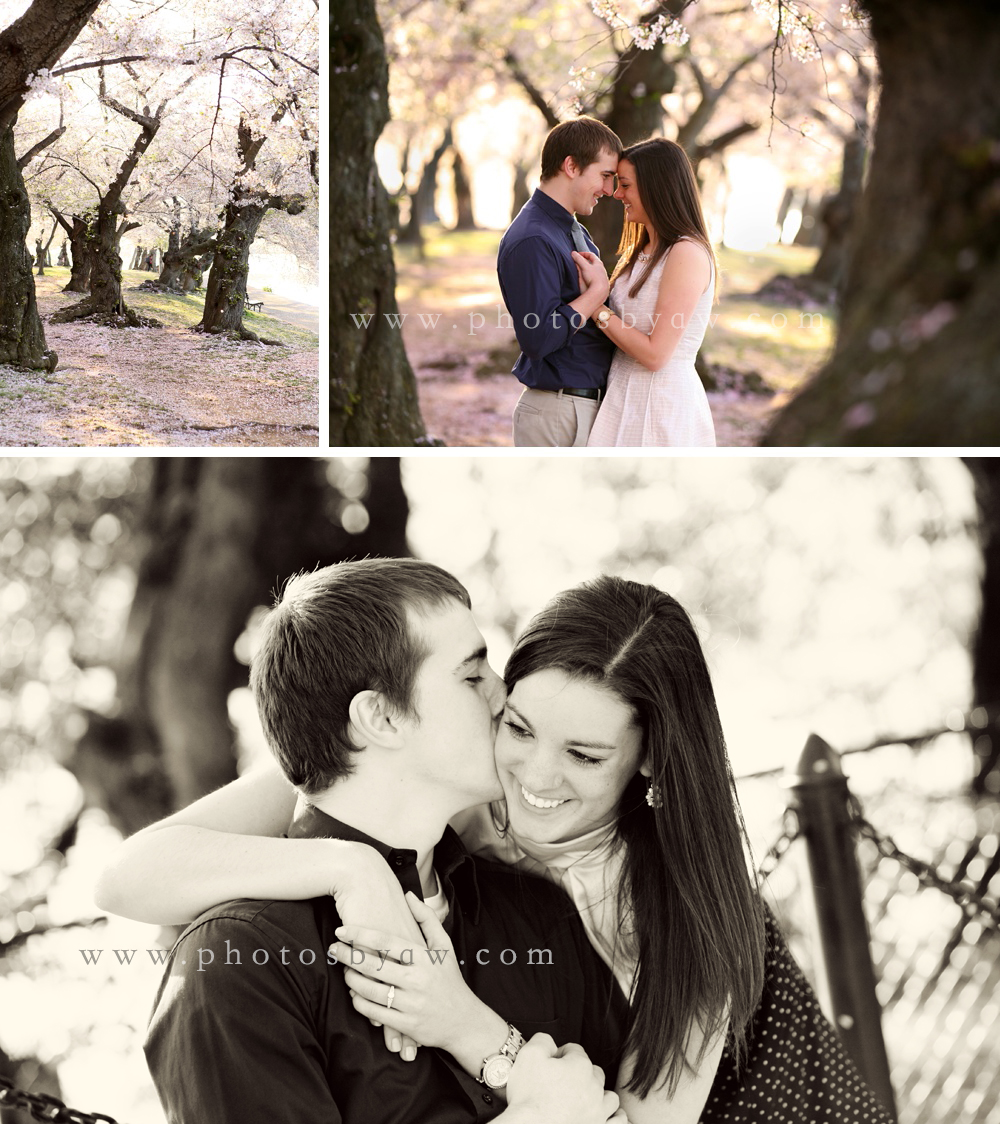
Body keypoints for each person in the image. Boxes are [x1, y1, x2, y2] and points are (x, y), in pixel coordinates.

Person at [100, 572, 895, 1124]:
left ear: (649, 760)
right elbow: (130, 873)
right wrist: (349, 868)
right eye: (515, 720)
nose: (533, 773)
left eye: (584, 756)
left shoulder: (689, 909)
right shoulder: (434, 794)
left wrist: (473, 1034)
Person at [135, 559, 627, 1124]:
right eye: (472, 676)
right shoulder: (237, 962)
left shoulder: (538, 916)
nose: (505, 695)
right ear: (381, 717)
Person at [581, 138, 717, 447]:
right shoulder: (640, 250)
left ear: (656, 187)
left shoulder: (686, 253)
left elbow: (656, 355)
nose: (617, 194)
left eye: (625, 185)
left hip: (659, 405)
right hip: (620, 395)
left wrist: (595, 305)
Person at [497, 117, 622, 447]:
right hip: (557, 413)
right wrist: (596, 294)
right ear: (571, 166)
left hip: (580, 409)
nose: (609, 191)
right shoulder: (533, 239)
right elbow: (537, 338)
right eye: (605, 176)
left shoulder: (572, 229)